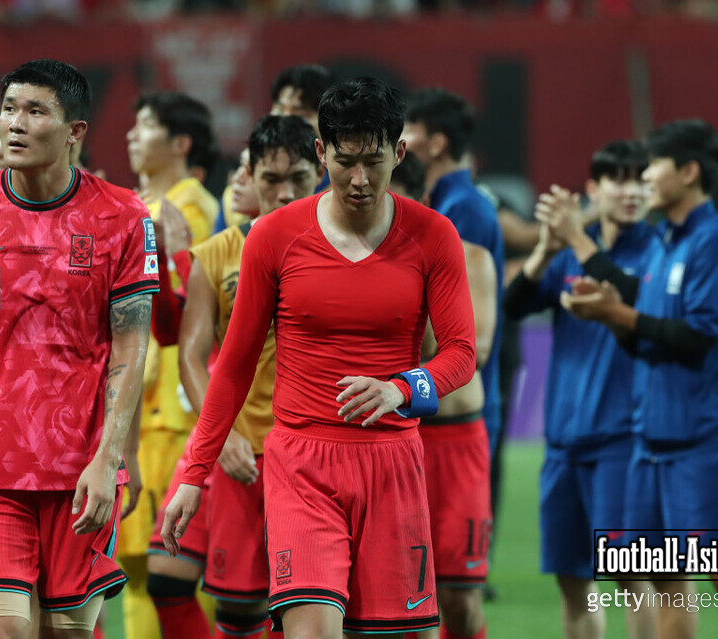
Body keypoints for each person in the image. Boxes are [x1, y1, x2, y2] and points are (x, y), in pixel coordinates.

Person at [162, 77, 477, 639]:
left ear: (400, 153)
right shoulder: (273, 236)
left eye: (373, 162)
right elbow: (233, 364)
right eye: (345, 161)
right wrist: (194, 472)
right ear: (321, 152)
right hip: (301, 465)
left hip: (392, 462)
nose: (359, 180)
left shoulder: (434, 236)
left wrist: (401, 388)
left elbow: (461, 353)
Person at [0, 59, 158, 639]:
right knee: (1, 630)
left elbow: (131, 345)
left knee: (66, 633)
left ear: (75, 131)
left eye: (34, 111)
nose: (15, 124)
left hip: (82, 473)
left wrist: (110, 459)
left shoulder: (123, 216)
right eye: (9, 109)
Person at [550, 120, 718, 639]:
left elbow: (698, 336)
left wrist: (617, 314)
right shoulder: (665, 243)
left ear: (688, 172)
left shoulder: (714, 241)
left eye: (654, 166)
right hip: (651, 438)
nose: (645, 178)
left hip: (705, 436)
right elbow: (647, 338)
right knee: (665, 578)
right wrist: (608, 317)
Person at [147, 114, 324, 639]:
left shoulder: (343, 249)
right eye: (271, 179)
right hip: (243, 451)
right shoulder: (219, 253)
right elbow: (191, 354)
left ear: (320, 173)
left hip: (315, 455)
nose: (284, 192)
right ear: (250, 177)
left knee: (312, 608)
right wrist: (220, 437)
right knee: (238, 608)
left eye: (298, 179)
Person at [503, 140, 659, 639]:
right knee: (573, 583)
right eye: (618, 180)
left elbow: (635, 297)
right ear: (594, 188)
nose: (630, 192)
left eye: (640, 181)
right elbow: (513, 306)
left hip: (624, 441)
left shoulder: (657, 250)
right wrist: (547, 249)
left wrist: (576, 236)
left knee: (634, 578)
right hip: (563, 443)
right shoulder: (571, 251)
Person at [118, 90, 220, 639]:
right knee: (138, 565)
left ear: (181, 143)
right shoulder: (139, 205)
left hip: (176, 413)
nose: (132, 135)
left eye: (147, 124)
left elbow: (192, 314)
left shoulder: (192, 208)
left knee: (174, 564)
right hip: (143, 410)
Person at [390, 151, 496, 639]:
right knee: (406, 597)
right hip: (394, 440)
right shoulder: (357, 262)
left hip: (455, 438)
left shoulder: (470, 258)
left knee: (459, 598)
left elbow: (477, 350)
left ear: (425, 201)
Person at [402, 88, 505, 469]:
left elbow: (466, 325)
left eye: (409, 128)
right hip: (438, 403)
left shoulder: (462, 208)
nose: (400, 139)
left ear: (436, 144)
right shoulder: (452, 202)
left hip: (459, 409)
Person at [214, 64, 334, 233]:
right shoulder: (236, 196)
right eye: (281, 108)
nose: (287, 118)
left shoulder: (343, 189)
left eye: (301, 112)